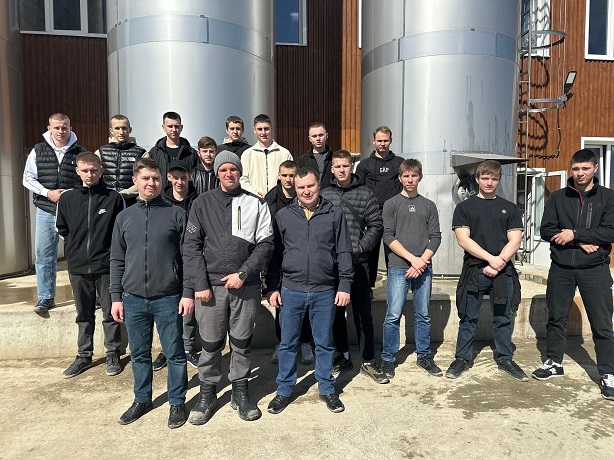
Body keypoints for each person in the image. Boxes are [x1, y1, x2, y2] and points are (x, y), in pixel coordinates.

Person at [183, 151, 274, 424]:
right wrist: (200, 284)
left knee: (241, 342)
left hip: (245, 285)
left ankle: (240, 391)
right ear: (217, 174)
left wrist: (244, 273)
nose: (228, 174)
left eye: (233, 169)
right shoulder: (201, 203)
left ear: (239, 172)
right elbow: (191, 247)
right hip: (211, 288)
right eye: (223, 170)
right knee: (210, 343)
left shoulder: (256, 203)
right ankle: (207, 393)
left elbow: (266, 244)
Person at [110, 158, 194, 429]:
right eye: (145, 178)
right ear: (135, 181)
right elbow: (116, 259)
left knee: (175, 354)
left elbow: (189, 257)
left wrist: (187, 291)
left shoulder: (176, 214)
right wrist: (115, 297)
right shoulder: (124, 217)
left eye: (156, 178)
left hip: (168, 297)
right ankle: (142, 399)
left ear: (162, 181)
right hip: (133, 298)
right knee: (139, 354)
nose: (151, 183)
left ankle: (177, 401)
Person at [266, 167, 354, 415]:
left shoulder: (334, 214)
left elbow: (344, 251)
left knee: (324, 344)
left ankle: (327, 388)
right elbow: (275, 255)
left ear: (319, 185)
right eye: (301, 187)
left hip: (324, 290)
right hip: (290, 290)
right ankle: (284, 390)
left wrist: (344, 285)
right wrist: (272, 286)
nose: (306, 191)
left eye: (310, 186)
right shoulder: (283, 216)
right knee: (287, 344)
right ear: (295, 189)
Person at [533, 149, 614, 400]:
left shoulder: (608, 198)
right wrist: (580, 241)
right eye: (576, 168)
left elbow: (610, 231)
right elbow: (546, 230)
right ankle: (554, 362)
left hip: (595, 269)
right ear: (571, 169)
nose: (580, 173)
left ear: (595, 168)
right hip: (562, 268)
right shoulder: (558, 197)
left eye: (585, 168)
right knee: (556, 317)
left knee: (602, 323)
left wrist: (574, 233)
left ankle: (608, 373)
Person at [445, 160, 527, 381]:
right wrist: (491, 260)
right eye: (485, 178)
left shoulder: (509, 208)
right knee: (468, 317)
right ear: (477, 179)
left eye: (494, 178)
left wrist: (500, 262)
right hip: (475, 270)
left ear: (499, 180)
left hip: (503, 271)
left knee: (503, 317)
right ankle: (462, 359)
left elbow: (515, 239)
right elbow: (463, 240)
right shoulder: (464, 208)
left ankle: (505, 358)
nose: (489, 182)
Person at [55, 152, 125, 378]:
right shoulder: (67, 198)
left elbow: (120, 231)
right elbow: (62, 228)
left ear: (101, 171)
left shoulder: (113, 198)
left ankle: (113, 353)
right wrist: (75, 251)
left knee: (110, 312)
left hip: (106, 266)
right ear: (77, 171)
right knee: (83, 314)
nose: (89, 174)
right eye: (85, 170)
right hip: (78, 266)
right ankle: (84, 355)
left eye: (94, 170)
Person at [320, 150, 387, 383]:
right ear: (332, 169)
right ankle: (343, 355)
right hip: (333, 266)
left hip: (358, 263)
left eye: (345, 166)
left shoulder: (365, 194)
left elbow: (376, 225)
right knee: (336, 313)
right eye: (337, 166)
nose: (341, 170)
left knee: (363, 313)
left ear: (352, 167)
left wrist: (359, 247)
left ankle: (368, 360)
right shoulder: (324, 195)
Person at [379, 159, 442, 379]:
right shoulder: (391, 204)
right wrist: (412, 260)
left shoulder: (428, 205)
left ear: (420, 177)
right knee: (393, 314)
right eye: (405, 176)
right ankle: (388, 358)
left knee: (423, 314)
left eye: (413, 175)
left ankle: (424, 355)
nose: (410, 179)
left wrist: (422, 261)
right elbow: (388, 237)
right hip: (398, 267)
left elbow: (436, 237)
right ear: (400, 178)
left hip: (423, 267)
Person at [23, 113, 86, 312]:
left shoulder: (80, 152)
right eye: (57, 127)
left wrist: (69, 194)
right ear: (49, 128)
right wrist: (47, 193)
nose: (61, 131)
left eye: (64, 127)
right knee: (44, 254)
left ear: (70, 128)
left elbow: (86, 180)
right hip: (46, 209)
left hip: (72, 211)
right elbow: (27, 178)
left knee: (77, 254)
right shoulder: (38, 150)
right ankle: (46, 297)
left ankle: (82, 297)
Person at [150, 160, 200, 371]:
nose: (180, 182)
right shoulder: (161, 201)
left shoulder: (198, 200)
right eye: (175, 177)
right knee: (167, 310)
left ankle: (187, 348)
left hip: (191, 259)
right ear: (168, 178)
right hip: (167, 261)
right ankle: (167, 349)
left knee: (188, 307)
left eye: (183, 177)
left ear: (189, 177)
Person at [264, 160, 314, 366]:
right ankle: (282, 342)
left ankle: (305, 342)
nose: (288, 179)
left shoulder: (305, 196)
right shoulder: (270, 199)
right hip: (279, 258)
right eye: (284, 175)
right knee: (281, 305)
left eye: (292, 175)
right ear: (279, 176)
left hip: (302, 258)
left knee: (306, 305)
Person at [355, 126, 404, 289]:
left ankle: (395, 286)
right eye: (380, 140)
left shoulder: (400, 163)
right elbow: (359, 190)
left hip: (393, 213)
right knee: (371, 250)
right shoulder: (364, 165)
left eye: (386, 140)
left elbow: (404, 186)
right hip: (372, 214)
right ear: (373, 141)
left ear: (391, 141)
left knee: (394, 250)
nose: (383, 143)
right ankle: (368, 287)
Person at [95, 114, 146, 207]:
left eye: (124, 128)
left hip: (132, 202)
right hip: (106, 201)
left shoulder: (141, 153)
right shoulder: (100, 152)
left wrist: (126, 193)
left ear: (130, 129)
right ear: (111, 130)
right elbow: (93, 176)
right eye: (117, 128)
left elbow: (145, 178)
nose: (121, 132)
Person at [240, 113, 293, 197]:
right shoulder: (247, 154)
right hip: (254, 199)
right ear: (254, 130)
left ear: (271, 129)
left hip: (278, 200)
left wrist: (274, 195)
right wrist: (257, 194)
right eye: (259, 129)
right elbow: (243, 180)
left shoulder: (284, 153)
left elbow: (290, 178)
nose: (263, 133)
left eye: (266, 129)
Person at [146, 111, 198, 187]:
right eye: (170, 126)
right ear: (163, 127)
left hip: (185, 193)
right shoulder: (154, 153)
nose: (173, 129)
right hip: (161, 193)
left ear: (181, 127)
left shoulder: (191, 153)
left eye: (176, 126)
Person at [297, 122, 334, 189]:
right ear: (310, 139)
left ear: (326, 136)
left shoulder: (334, 158)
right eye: (314, 136)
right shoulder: (302, 160)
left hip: (331, 194)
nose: (318, 138)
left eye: (321, 135)